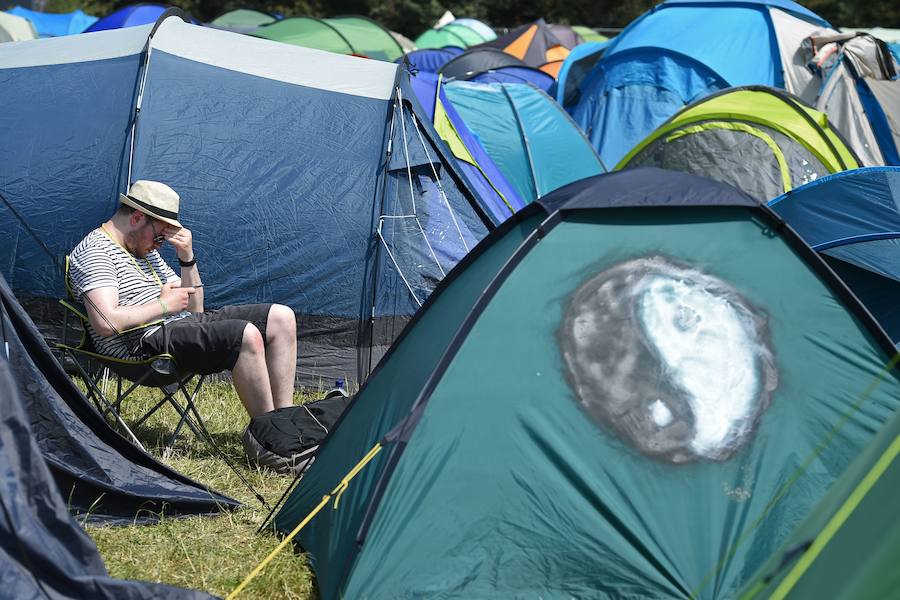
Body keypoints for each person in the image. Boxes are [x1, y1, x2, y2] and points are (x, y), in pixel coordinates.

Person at [68, 180, 297, 466]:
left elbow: (196, 309)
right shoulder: (96, 252)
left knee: (281, 317)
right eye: (160, 237)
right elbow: (105, 322)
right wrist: (162, 306)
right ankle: (271, 447)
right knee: (245, 335)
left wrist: (186, 258)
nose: (159, 245)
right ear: (137, 218)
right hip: (143, 346)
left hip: (178, 325)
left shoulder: (143, 251)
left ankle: (286, 428)